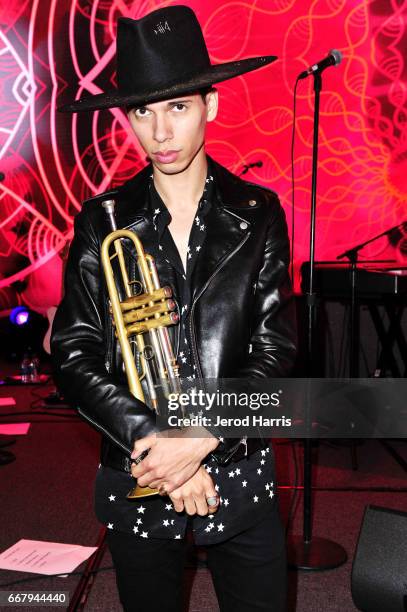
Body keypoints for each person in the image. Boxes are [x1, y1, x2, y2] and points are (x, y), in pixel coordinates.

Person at [52, 5, 296, 611]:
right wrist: (162, 445)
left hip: (236, 466)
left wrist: (201, 435)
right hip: (144, 469)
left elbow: (278, 352)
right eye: (143, 110)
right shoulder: (103, 220)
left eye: (178, 107)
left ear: (211, 106)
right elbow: (74, 352)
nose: (160, 133)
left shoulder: (259, 213)